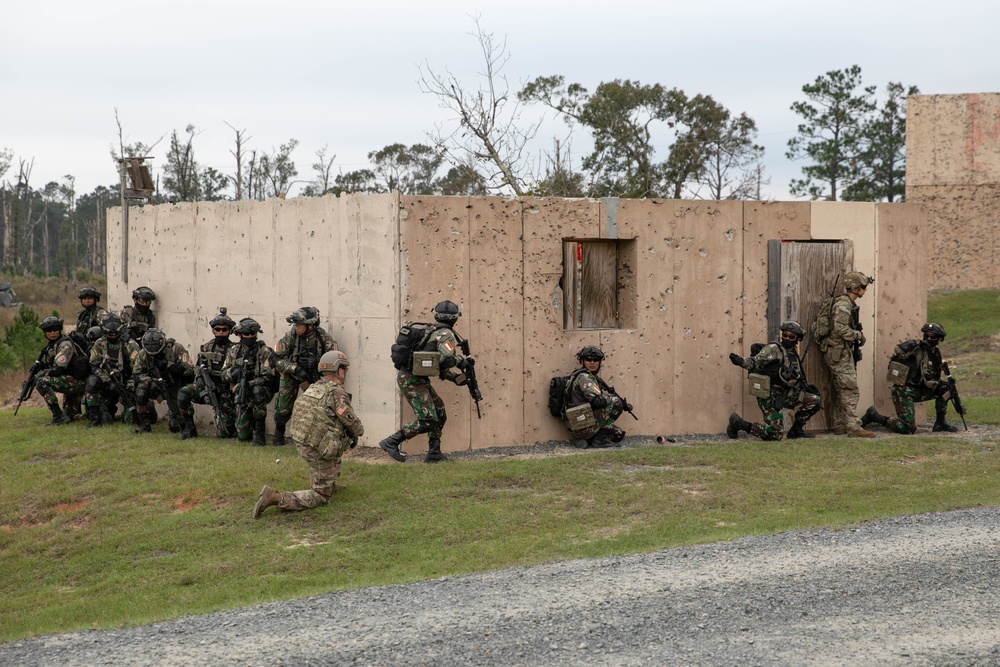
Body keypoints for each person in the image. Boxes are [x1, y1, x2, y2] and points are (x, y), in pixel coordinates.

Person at [254, 350, 363, 519]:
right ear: (338, 370)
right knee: (321, 496)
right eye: (344, 369)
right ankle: (275, 498)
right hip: (315, 445)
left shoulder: (314, 387)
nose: (345, 373)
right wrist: (358, 432)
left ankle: (329, 482)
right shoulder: (336, 392)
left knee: (338, 436)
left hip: (303, 440)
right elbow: (351, 421)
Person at [379, 300, 475, 463]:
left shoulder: (429, 330)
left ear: (436, 316)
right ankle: (391, 441)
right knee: (428, 420)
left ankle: (434, 453)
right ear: (454, 318)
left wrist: (454, 378)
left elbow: (433, 362)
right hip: (412, 380)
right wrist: (461, 361)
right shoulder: (446, 335)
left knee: (440, 413)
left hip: (415, 378)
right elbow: (447, 360)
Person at [727, 321, 822, 441]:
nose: (787, 338)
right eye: (785, 335)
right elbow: (754, 361)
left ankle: (796, 431)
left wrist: (807, 388)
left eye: (791, 337)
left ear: (798, 339)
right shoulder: (773, 349)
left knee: (814, 400)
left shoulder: (793, 354)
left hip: (786, 393)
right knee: (775, 435)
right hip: (769, 395)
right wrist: (741, 361)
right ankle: (739, 423)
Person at [861, 322, 960, 434]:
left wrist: (946, 385)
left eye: (932, 337)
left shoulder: (935, 352)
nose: (928, 338)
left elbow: (932, 377)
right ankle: (875, 417)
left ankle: (940, 423)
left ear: (940, 339)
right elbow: (899, 350)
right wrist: (918, 343)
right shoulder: (916, 350)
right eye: (926, 336)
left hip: (920, 389)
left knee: (946, 389)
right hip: (904, 391)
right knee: (908, 429)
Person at [271, 307, 338, 446]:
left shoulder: (324, 338)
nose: (296, 328)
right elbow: (275, 360)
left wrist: (318, 362)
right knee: (282, 409)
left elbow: (335, 361)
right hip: (291, 376)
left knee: (317, 408)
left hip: (311, 378)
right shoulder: (290, 337)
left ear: (310, 326)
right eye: (295, 325)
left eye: (299, 325)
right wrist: (294, 368)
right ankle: (279, 432)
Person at [819, 271, 875, 438]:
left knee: (841, 388)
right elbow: (840, 329)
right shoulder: (843, 305)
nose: (864, 290)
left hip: (838, 351)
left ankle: (840, 424)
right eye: (863, 287)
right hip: (838, 352)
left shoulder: (846, 303)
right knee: (850, 389)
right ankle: (853, 427)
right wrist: (858, 335)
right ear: (855, 288)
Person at [176, 308, 238, 440]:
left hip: (225, 391)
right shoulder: (206, 347)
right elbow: (198, 368)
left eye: (224, 330)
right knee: (183, 393)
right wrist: (200, 382)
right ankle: (189, 428)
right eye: (218, 329)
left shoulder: (235, 350)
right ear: (213, 330)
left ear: (230, 331)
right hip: (206, 386)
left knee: (225, 433)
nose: (221, 333)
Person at [221, 318, 276, 446]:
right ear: (239, 335)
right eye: (247, 334)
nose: (250, 336)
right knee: (243, 435)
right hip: (240, 391)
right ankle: (247, 426)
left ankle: (260, 434)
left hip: (261, 390)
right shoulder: (234, 351)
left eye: (253, 334)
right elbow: (223, 373)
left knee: (257, 392)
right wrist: (233, 373)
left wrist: (250, 383)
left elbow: (268, 377)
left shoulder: (264, 351)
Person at [562, 345, 630, 448]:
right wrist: (611, 398)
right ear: (582, 361)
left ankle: (588, 439)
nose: (592, 362)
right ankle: (598, 441)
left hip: (580, 424)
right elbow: (597, 402)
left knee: (618, 433)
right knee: (616, 402)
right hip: (582, 424)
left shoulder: (587, 376)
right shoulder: (584, 377)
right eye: (588, 359)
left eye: (595, 360)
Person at [131, 328, 193, 434]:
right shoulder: (143, 354)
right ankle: (144, 425)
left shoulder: (176, 348)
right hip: (154, 385)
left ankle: (183, 422)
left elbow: (189, 369)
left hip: (174, 385)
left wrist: (169, 365)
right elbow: (136, 373)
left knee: (175, 427)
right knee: (141, 392)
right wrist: (149, 381)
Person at [34, 316, 88, 425]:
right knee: (70, 416)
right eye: (49, 330)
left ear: (59, 330)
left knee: (42, 382)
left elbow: (58, 369)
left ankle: (58, 416)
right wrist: (42, 366)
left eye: (55, 330)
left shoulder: (65, 344)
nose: (52, 333)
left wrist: (41, 374)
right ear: (45, 333)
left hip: (80, 383)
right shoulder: (51, 346)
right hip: (72, 380)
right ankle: (69, 415)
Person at [84, 314, 132, 427]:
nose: (113, 336)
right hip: (105, 380)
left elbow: (137, 369)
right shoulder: (99, 343)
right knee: (92, 382)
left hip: (125, 382)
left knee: (131, 420)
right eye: (109, 334)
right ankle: (95, 419)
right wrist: (108, 380)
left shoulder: (130, 344)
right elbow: (94, 366)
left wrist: (130, 383)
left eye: (116, 334)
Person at [120, 285, 157, 350]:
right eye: (142, 301)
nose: (145, 304)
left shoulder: (150, 317)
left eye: (147, 302)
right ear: (135, 300)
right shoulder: (127, 312)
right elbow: (121, 329)